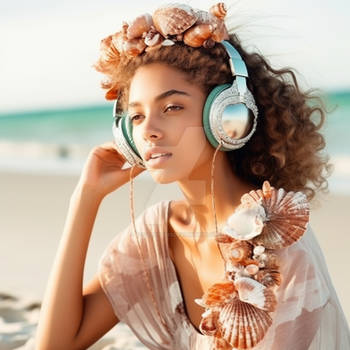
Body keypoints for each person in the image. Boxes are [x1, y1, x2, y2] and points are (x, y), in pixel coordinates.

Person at [35, 3, 350, 350]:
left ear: (228, 114)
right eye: (136, 117)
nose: (149, 131)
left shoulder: (280, 239)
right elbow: (55, 344)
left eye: (171, 107)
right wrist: (84, 201)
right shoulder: (158, 233)